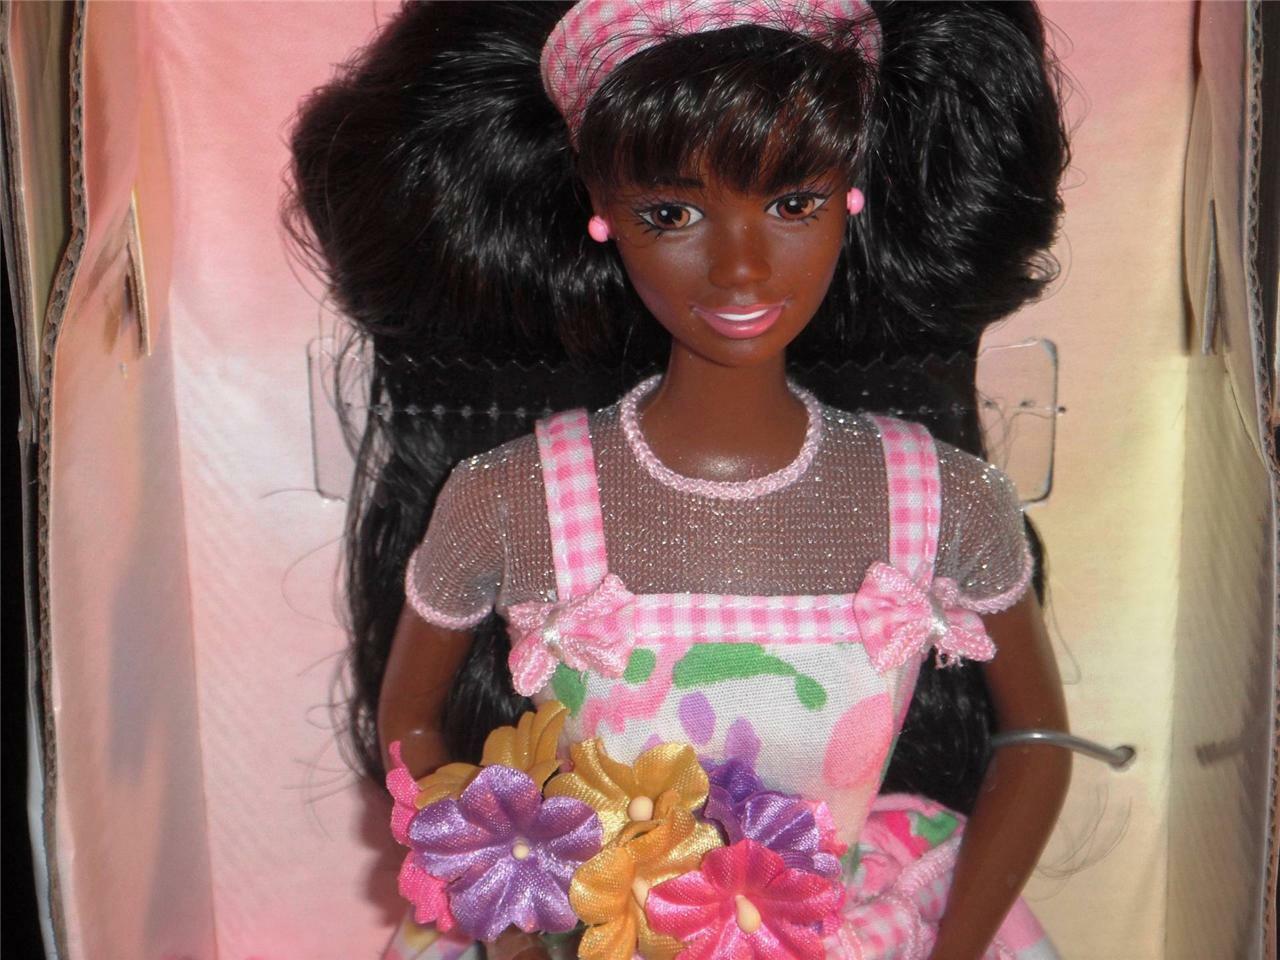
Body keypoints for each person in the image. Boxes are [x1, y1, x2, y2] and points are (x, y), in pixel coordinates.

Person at [287, 2, 1072, 958]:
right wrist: (511, 915)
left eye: (794, 203)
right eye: (672, 213)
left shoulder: (943, 500)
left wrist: (952, 948)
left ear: (852, 194)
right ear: (602, 212)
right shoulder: (515, 499)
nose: (740, 267)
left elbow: (1037, 739)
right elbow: (410, 719)